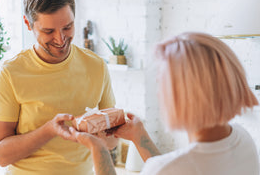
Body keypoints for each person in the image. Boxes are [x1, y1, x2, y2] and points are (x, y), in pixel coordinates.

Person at [69, 32, 260, 175]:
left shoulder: (167, 168)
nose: (160, 93)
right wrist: (139, 136)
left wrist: (99, 149)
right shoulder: (243, 140)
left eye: (162, 84)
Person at [0, 0, 117, 174]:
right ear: (28, 23)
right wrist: (49, 131)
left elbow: (111, 142)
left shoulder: (96, 66)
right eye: (48, 31)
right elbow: (1, 156)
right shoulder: (11, 73)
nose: (60, 39)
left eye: (67, 27)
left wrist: (100, 133)